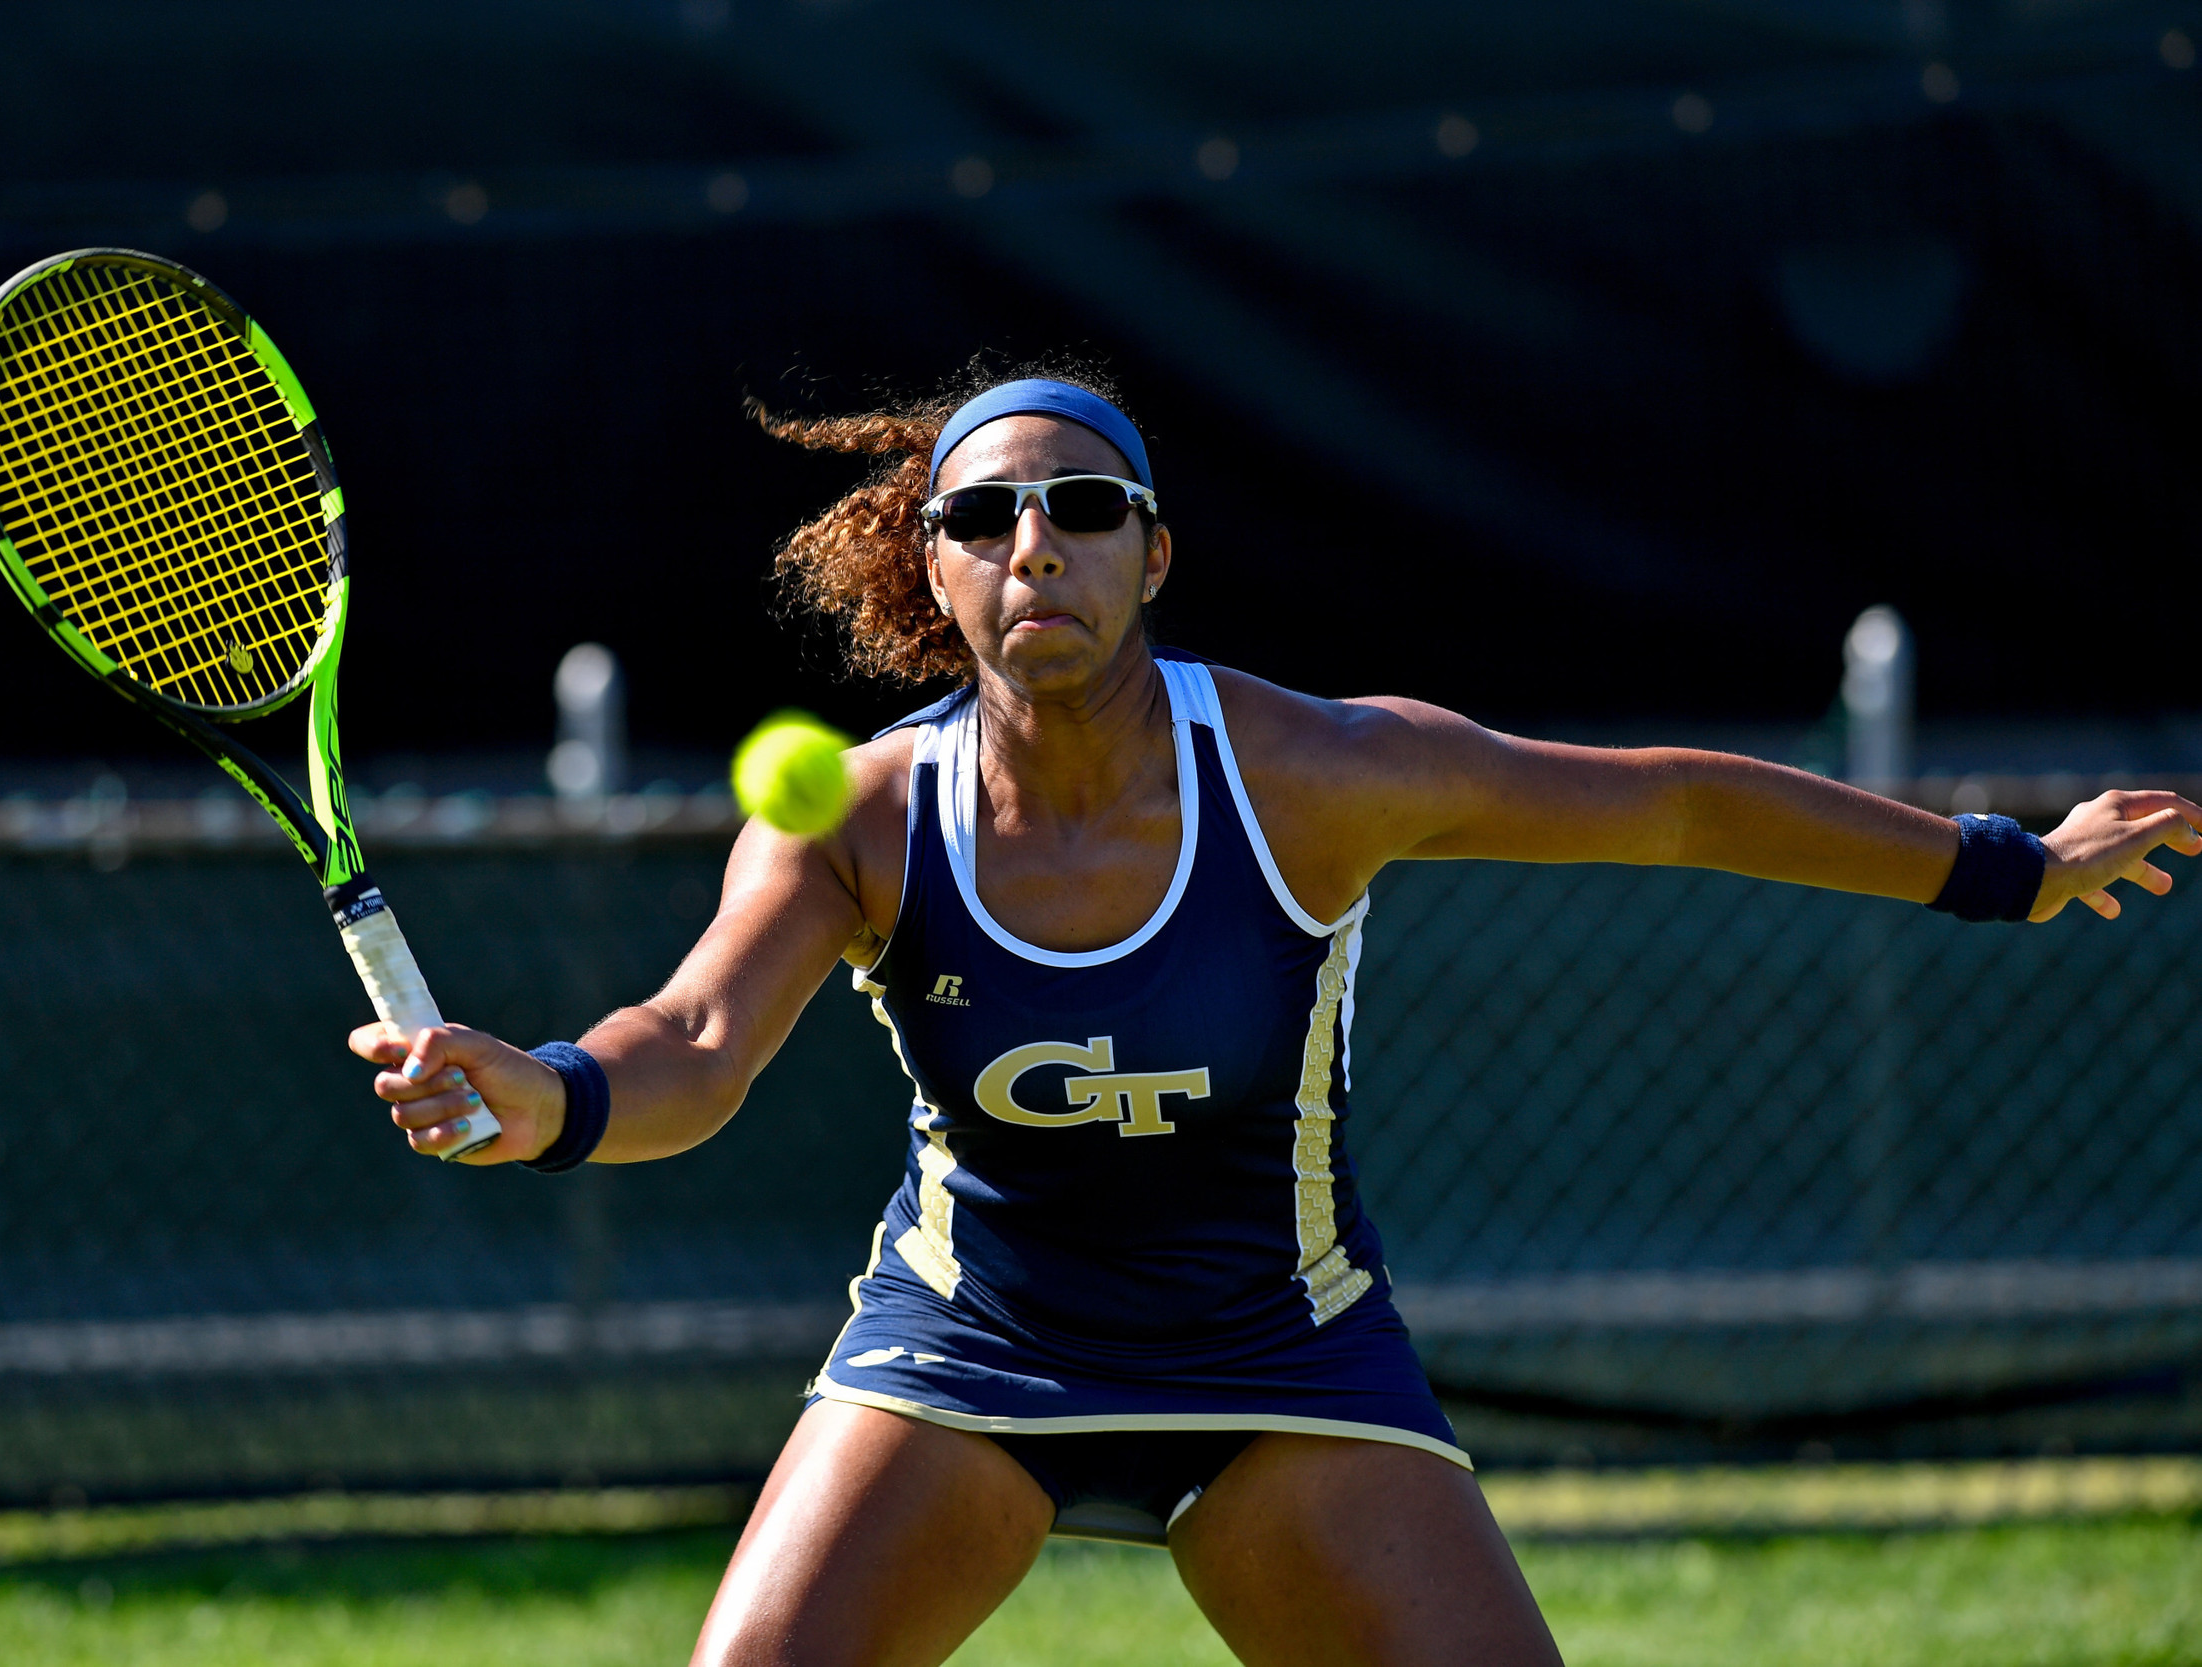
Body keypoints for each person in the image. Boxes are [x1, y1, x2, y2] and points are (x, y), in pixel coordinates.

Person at [352, 370, 2199, 1666]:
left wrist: (2006, 864)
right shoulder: (856, 814)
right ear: (933, 572)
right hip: (968, 1356)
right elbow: (688, 1043)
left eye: (1083, 509)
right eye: (983, 519)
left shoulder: (1314, 770)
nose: (1035, 546)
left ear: (1157, 554)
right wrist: (553, 1099)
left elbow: (1675, 802)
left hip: (1280, 1362)